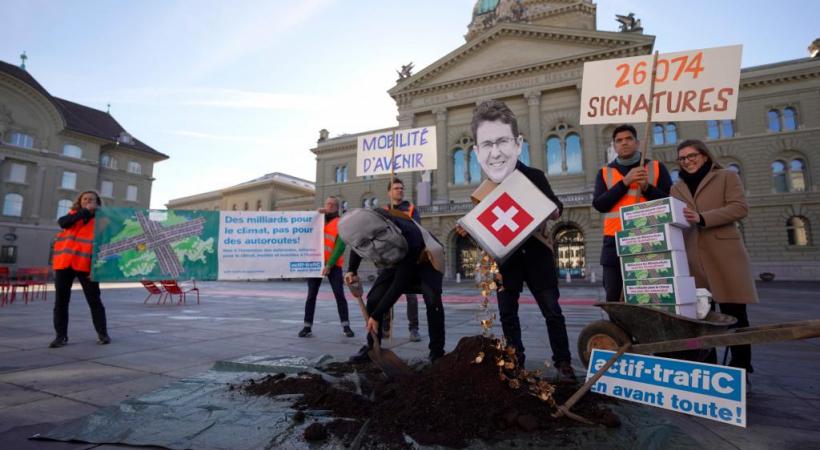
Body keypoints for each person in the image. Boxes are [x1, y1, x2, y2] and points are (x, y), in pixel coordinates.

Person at [457, 99, 574, 382]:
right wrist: (467, 227)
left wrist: (553, 210)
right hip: (506, 261)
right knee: (508, 314)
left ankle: (564, 363)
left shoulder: (533, 176)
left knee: (552, 311)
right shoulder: (487, 187)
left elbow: (555, 206)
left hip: (537, 255)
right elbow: (484, 225)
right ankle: (515, 359)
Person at [670, 139, 757, 376]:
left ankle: (741, 368)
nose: (687, 161)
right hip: (693, 259)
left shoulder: (726, 177)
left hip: (725, 257)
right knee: (702, 319)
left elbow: (739, 208)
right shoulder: (676, 188)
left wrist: (702, 217)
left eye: (692, 156)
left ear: (705, 156)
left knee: (736, 317)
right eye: (683, 158)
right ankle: (709, 371)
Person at [345, 208, 446, 362]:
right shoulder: (371, 221)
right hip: (397, 258)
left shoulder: (408, 234)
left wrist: (376, 316)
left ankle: (437, 351)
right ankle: (373, 347)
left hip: (426, 257)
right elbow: (360, 244)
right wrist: (352, 270)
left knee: (433, 300)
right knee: (374, 298)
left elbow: (399, 285)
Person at [592, 124, 672, 302]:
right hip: (614, 242)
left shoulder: (657, 167)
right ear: (614, 146)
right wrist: (624, 183)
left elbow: (669, 203)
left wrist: (646, 188)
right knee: (614, 296)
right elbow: (600, 204)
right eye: (619, 141)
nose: (624, 143)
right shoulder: (605, 172)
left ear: (637, 142)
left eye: (628, 139)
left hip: (650, 239)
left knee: (649, 296)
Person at [50, 190, 110, 348]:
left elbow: (104, 245)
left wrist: (97, 269)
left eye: (92, 199)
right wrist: (84, 212)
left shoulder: (101, 220)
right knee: (61, 302)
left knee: (94, 301)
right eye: (85, 199)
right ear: (80, 201)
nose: (88, 201)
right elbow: (62, 223)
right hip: (65, 264)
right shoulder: (72, 216)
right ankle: (60, 336)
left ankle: (103, 334)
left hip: (86, 266)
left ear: (97, 203)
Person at [298, 196, 355, 338]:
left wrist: (329, 264)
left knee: (339, 295)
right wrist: (316, 213)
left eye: (331, 205)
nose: (328, 206)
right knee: (311, 296)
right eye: (327, 204)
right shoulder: (318, 220)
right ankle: (307, 326)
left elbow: (340, 246)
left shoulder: (340, 222)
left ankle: (346, 326)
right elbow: (303, 228)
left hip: (333, 265)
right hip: (315, 264)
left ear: (336, 208)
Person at [382, 177, 422, 342]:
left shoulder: (411, 208)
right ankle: (386, 328)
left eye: (401, 188)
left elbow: (417, 230)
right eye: (396, 188)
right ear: (389, 192)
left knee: (411, 296)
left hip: (407, 258)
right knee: (386, 294)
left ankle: (414, 329)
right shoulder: (384, 210)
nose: (400, 190)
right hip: (388, 258)